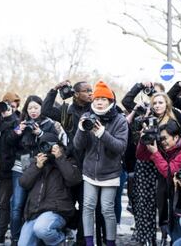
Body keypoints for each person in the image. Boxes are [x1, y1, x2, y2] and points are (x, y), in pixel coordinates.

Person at [74, 80, 128, 246]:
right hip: (90, 172)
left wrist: (102, 133)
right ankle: (90, 243)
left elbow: (120, 147)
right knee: (88, 207)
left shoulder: (119, 120)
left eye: (103, 99)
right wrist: (82, 130)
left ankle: (110, 243)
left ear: (110, 101)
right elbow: (77, 145)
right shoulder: (87, 117)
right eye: (96, 98)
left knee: (107, 209)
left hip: (110, 172)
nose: (99, 102)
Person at [41, 80, 93, 246]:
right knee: (66, 204)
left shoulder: (95, 110)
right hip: (70, 165)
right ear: (76, 94)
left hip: (89, 166)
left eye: (91, 90)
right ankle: (62, 234)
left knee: (86, 206)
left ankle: (81, 241)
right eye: (86, 91)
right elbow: (46, 109)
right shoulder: (65, 111)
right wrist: (54, 89)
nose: (90, 93)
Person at [7, 95, 59, 245]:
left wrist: (40, 134)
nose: (33, 111)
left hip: (39, 169)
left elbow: (54, 142)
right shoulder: (20, 122)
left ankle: (35, 238)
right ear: (26, 109)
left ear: (42, 108)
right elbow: (9, 142)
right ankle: (15, 238)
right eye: (30, 108)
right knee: (17, 205)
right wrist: (18, 131)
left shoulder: (48, 124)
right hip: (20, 168)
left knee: (36, 205)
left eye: (36, 107)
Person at [132, 92, 180, 246]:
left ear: (167, 104)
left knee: (165, 206)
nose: (157, 105)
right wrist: (143, 134)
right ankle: (147, 239)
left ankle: (168, 237)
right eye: (155, 103)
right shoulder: (146, 121)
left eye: (161, 102)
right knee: (145, 206)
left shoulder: (173, 122)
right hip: (145, 167)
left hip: (164, 166)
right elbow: (139, 152)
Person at [18, 132, 82, 245]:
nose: (47, 149)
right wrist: (37, 167)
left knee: (42, 229)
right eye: (44, 146)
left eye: (49, 145)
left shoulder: (68, 160)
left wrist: (60, 158)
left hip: (56, 211)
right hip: (35, 213)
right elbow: (23, 183)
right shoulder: (38, 162)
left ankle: (63, 241)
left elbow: (73, 180)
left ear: (58, 146)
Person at [136, 120, 181, 243]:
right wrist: (143, 140)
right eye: (160, 139)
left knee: (178, 233)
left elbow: (169, 172)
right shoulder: (166, 147)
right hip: (168, 196)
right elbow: (141, 156)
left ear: (176, 137)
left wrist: (156, 153)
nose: (162, 142)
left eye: (165, 138)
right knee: (171, 229)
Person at [0, 92, 21, 244]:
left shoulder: (18, 120)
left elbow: (11, 141)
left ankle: (3, 233)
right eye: (7, 105)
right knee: (3, 203)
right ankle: (1, 233)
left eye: (13, 106)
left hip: (10, 168)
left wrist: (9, 117)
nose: (10, 108)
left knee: (10, 203)